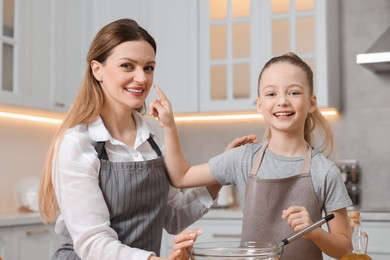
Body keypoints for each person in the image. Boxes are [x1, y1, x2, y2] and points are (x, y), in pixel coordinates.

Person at [38, 18, 256, 260]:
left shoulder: (154, 133)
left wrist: (221, 171)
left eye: (148, 67)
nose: (142, 78)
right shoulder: (77, 142)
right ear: (97, 70)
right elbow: (92, 242)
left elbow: (173, 216)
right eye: (127, 66)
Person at [153, 52, 353, 259]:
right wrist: (169, 125)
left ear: (311, 103)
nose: (282, 101)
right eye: (271, 94)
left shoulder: (325, 172)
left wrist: (315, 232)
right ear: (259, 105)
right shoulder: (242, 159)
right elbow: (181, 176)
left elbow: (345, 248)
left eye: (294, 93)